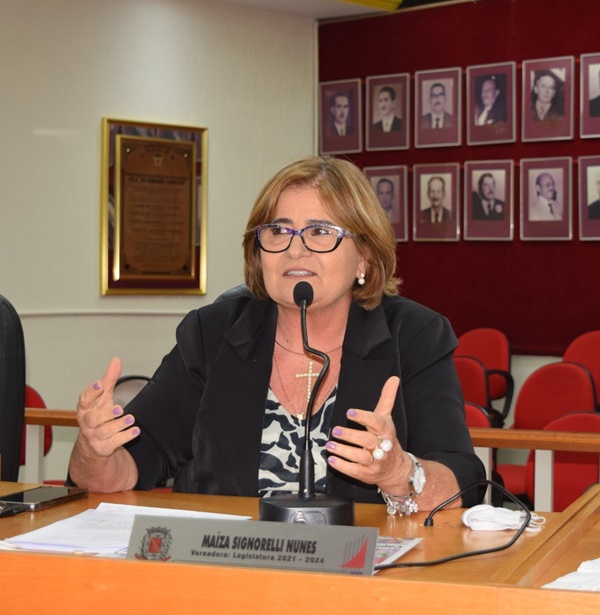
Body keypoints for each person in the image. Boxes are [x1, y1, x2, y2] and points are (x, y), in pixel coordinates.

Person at [68, 155, 484, 512]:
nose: (294, 249)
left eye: (320, 231)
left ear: (365, 258)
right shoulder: (213, 334)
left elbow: (463, 479)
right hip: (227, 574)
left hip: (362, 583)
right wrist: (94, 447)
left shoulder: (412, 335)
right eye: (279, 231)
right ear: (258, 250)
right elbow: (128, 468)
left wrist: (398, 472)